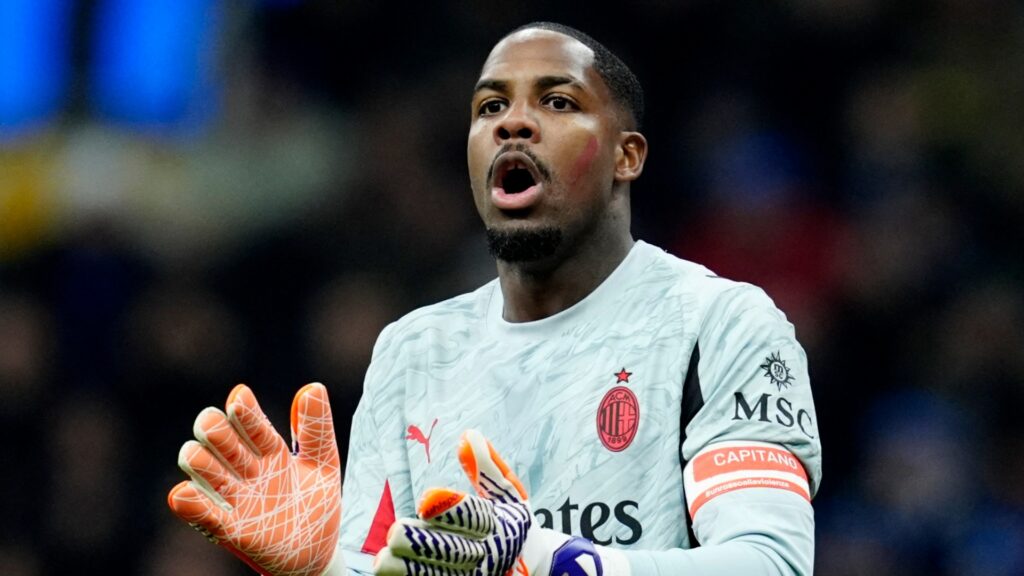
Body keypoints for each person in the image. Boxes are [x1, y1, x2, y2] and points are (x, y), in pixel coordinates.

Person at [168, 21, 822, 576]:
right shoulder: (413, 350)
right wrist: (328, 567)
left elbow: (767, 561)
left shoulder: (720, 325)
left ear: (627, 156)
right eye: (490, 108)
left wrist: (551, 559)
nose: (513, 122)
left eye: (558, 102)